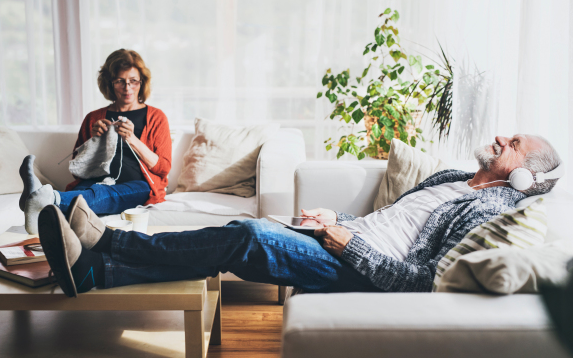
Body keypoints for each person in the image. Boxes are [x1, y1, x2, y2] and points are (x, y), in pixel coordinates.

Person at [37, 134, 562, 298]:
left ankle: (107, 246)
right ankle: (100, 272)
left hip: (364, 272)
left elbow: (426, 281)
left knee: (249, 236)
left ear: (525, 175)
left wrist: (345, 244)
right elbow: (390, 217)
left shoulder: (492, 206)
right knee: (236, 235)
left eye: (512, 143)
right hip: (348, 239)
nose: (498, 139)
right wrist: (335, 217)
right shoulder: (451, 179)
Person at [19, 49, 172, 234]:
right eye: (120, 81)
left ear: (142, 82)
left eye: (133, 81)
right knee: (90, 190)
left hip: (138, 186)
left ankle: (44, 198)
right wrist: (93, 140)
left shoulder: (156, 117)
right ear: (110, 83)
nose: (127, 88)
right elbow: (77, 168)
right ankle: (40, 206)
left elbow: (163, 168)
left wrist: (132, 139)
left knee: (100, 194)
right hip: (96, 180)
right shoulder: (94, 118)